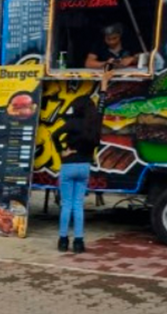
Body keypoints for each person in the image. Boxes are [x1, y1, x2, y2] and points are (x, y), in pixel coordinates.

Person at [54, 69, 113, 254]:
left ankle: (63, 240)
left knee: (67, 204)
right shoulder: (95, 122)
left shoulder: (72, 123)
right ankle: (79, 242)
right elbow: (102, 102)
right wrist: (104, 84)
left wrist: (63, 151)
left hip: (69, 165)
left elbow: (55, 135)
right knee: (78, 205)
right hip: (85, 166)